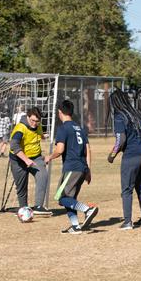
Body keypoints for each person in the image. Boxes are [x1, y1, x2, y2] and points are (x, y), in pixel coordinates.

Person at [45, 100, 98, 234]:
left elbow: (60, 149)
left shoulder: (63, 128)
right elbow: (87, 150)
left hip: (71, 168)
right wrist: (88, 170)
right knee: (70, 199)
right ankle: (75, 226)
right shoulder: (79, 128)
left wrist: (49, 157)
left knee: (61, 198)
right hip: (81, 168)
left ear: (59, 112)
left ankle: (87, 209)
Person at [107, 89, 141, 230]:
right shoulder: (137, 113)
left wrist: (112, 154)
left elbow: (121, 139)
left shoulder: (120, 116)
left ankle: (127, 222)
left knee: (127, 189)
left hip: (131, 157)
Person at [9, 107, 52, 216]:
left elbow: (39, 134)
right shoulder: (20, 128)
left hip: (36, 158)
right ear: (27, 117)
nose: (34, 123)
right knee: (21, 186)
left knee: (43, 175)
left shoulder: (38, 125)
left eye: (37, 121)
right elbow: (14, 146)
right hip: (18, 159)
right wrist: (26, 160)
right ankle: (23, 209)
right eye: (32, 120)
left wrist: (44, 136)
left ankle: (38, 206)